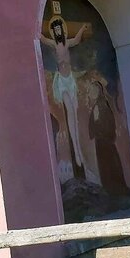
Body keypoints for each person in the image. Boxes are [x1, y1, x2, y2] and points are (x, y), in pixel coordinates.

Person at [40, 16, 90, 168]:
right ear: (53, 31)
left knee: (75, 111)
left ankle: (79, 151)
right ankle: (76, 149)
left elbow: (75, 40)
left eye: (58, 29)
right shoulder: (54, 43)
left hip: (71, 79)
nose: (56, 31)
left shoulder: (66, 42)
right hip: (62, 80)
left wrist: (82, 29)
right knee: (70, 112)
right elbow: (42, 38)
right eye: (54, 29)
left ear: (61, 30)